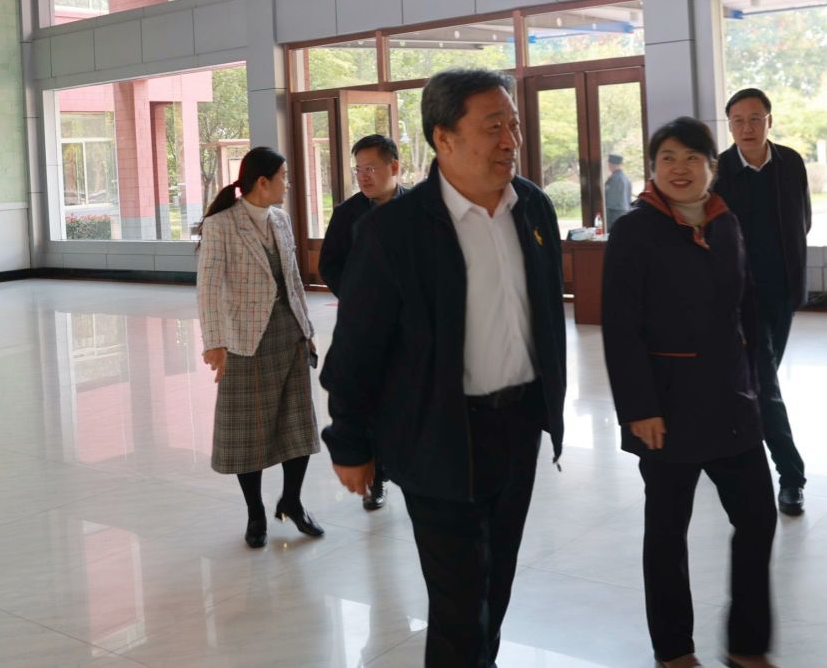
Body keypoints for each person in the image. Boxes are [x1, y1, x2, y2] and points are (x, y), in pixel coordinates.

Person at [320, 68, 567, 667]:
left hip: (518, 429)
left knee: (496, 585)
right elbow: (356, 347)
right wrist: (349, 441)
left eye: (513, 125)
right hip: (437, 433)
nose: (510, 140)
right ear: (444, 137)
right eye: (493, 127)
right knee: (459, 603)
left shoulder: (532, 208)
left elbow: (545, 317)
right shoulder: (393, 231)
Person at [603, 117, 778, 668]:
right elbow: (620, 327)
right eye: (667, 158)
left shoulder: (727, 222)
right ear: (653, 168)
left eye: (692, 158)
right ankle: (674, 648)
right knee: (667, 531)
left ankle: (747, 643)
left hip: (731, 402)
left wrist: (757, 383)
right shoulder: (635, 231)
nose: (680, 169)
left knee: (758, 517)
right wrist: (639, 408)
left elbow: (747, 309)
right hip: (667, 408)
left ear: (712, 167)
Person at [196, 146, 323, 549]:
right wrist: (215, 343)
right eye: (283, 177)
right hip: (245, 340)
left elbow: (293, 280)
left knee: (297, 424)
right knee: (246, 432)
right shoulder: (221, 225)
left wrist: (307, 327)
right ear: (262, 182)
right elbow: (208, 288)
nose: (288, 184)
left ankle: (292, 501)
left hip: (289, 334)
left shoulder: (280, 219)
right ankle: (255, 513)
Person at [712, 87, 810, 516]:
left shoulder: (791, 162)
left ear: (769, 121)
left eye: (755, 119)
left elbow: (803, 220)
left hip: (782, 291)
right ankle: (791, 476)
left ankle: (722, 447)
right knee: (765, 385)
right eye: (737, 120)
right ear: (729, 125)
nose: (746, 128)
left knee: (756, 383)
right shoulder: (718, 171)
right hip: (739, 299)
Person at [318, 133, 407, 511]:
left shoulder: (416, 210)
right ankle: (378, 477)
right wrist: (357, 297)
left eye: (371, 168)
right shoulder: (348, 213)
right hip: (366, 326)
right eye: (358, 170)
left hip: (409, 328)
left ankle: (405, 465)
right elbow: (328, 263)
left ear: (394, 167)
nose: (364, 176)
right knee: (369, 399)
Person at [605, 152, 632, 227]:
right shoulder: (625, 178)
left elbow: (611, 202)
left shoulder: (615, 179)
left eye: (609, 164)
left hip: (615, 214)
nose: (608, 166)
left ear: (613, 165)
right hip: (624, 212)